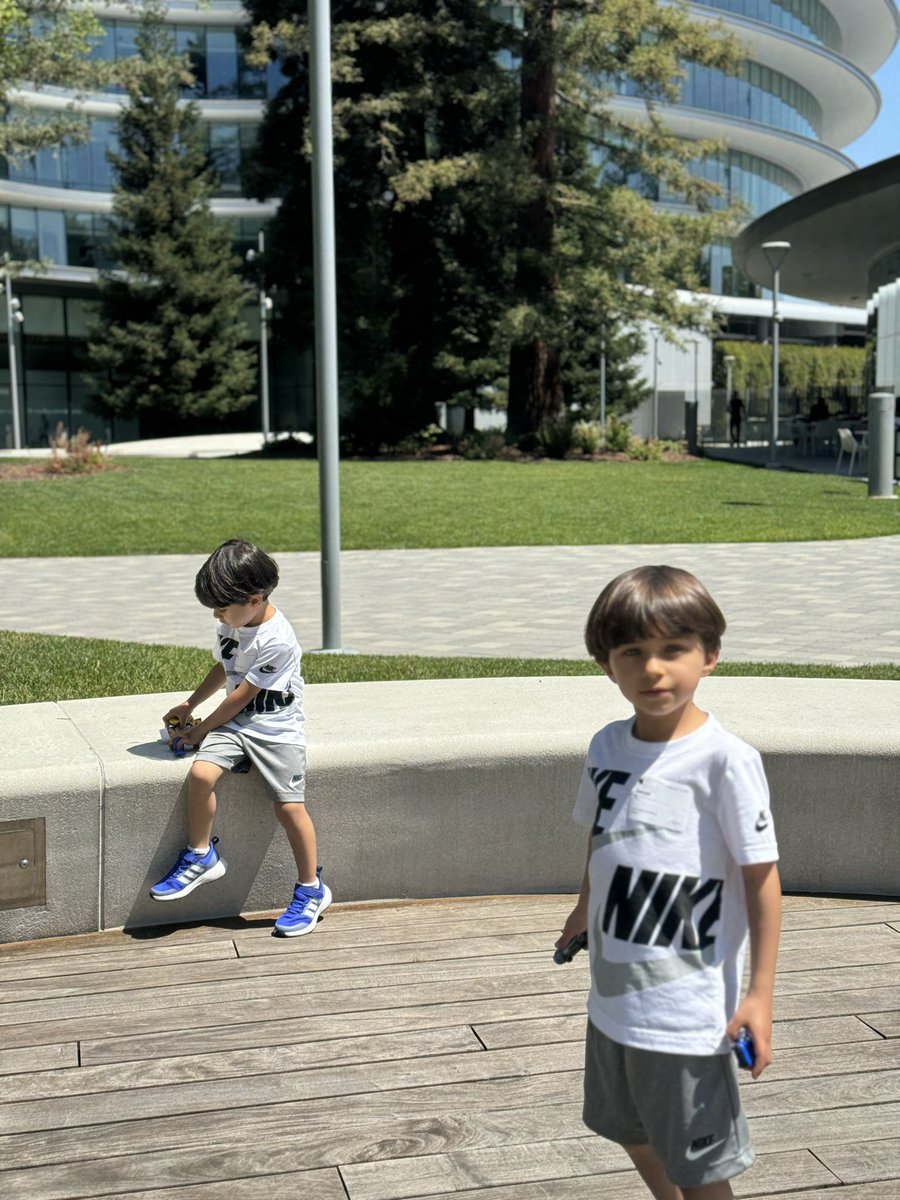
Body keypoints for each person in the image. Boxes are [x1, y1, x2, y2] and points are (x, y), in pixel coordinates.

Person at [556, 565, 781, 1200]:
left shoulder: (726, 763)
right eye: (633, 653)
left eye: (673, 650)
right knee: (627, 1128)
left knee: (702, 1168)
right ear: (607, 664)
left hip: (689, 1015)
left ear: (710, 655)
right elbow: (602, 835)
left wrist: (758, 997)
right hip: (614, 995)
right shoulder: (606, 747)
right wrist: (584, 906)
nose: (654, 670)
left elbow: (764, 884)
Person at [149, 539, 332, 938]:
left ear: (255, 597)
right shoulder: (233, 622)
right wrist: (189, 703)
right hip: (235, 725)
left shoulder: (277, 640)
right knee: (200, 776)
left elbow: (240, 696)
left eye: (221, 606)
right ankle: (202, 856)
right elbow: (225, 668)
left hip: (275, 729)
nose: (216, 614)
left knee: (289, 809)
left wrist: (199, 730)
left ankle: (311, 889)